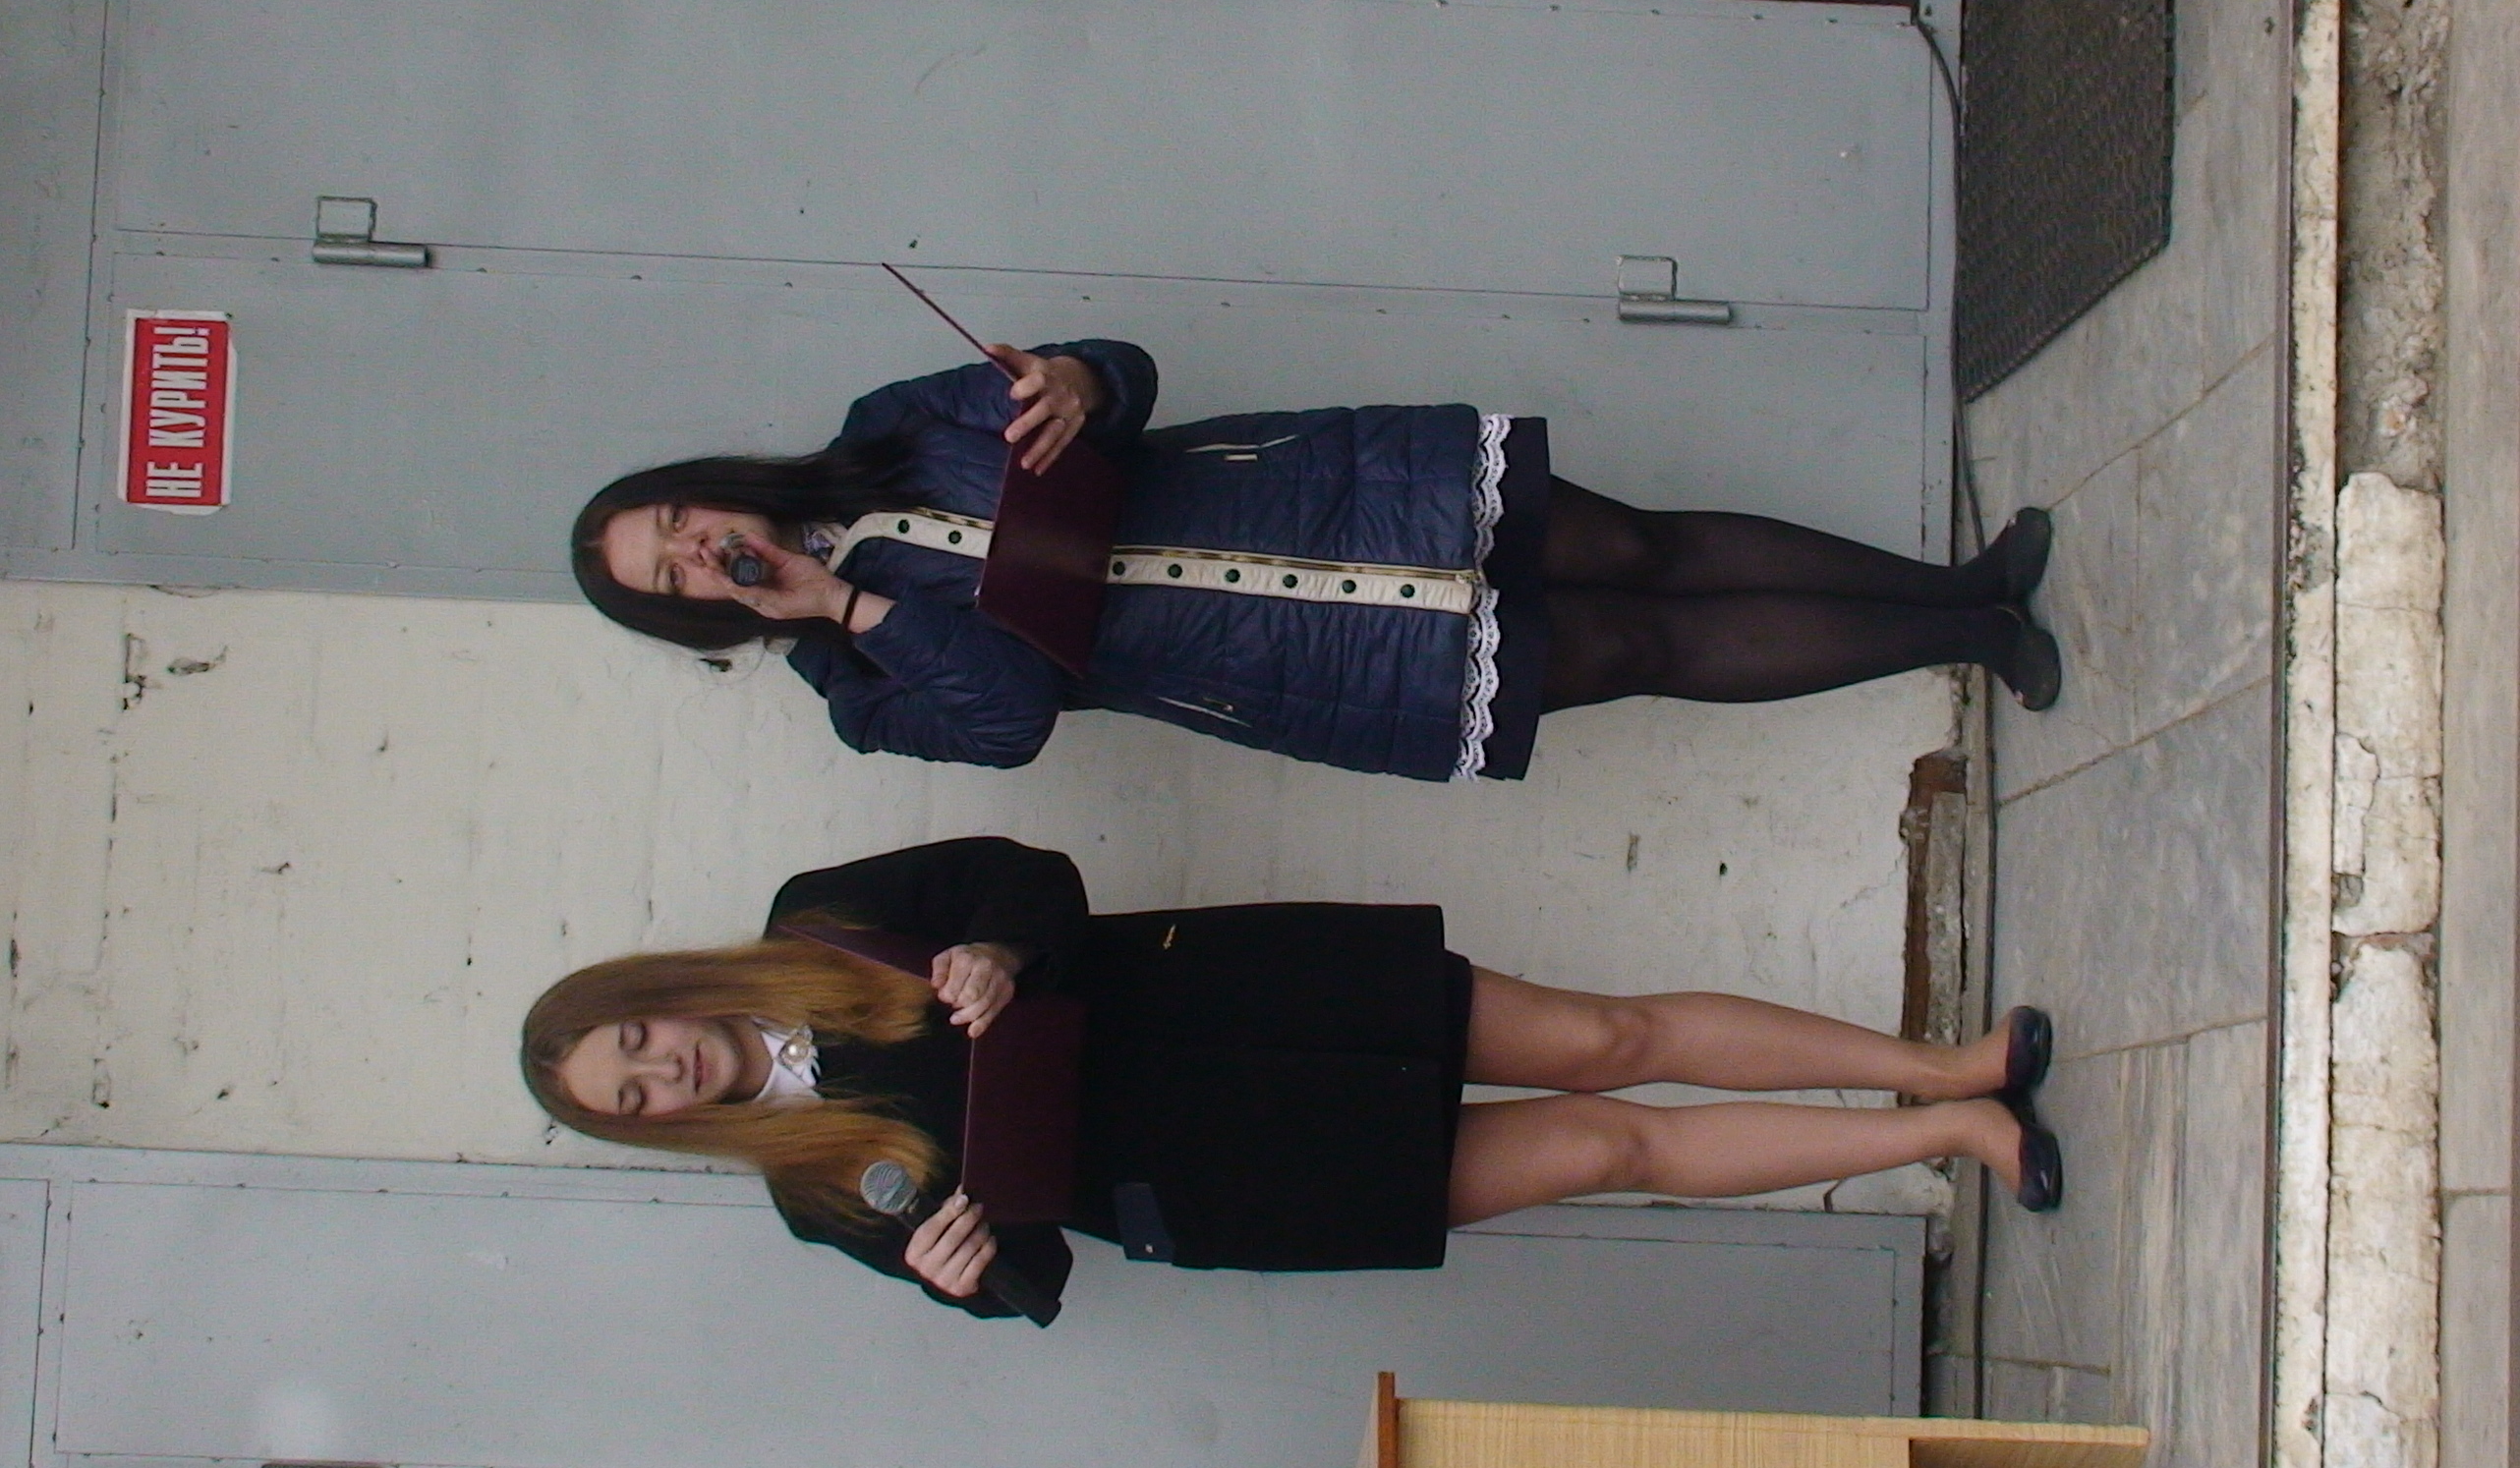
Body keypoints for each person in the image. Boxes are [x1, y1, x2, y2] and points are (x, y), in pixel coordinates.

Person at [521, 837, 2064, 1319]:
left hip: (1242, 992)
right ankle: (1953, 1132)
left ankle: (1944, 1059)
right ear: (659, 1129)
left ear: (655, 996)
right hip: (1228, 1175)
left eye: (635, 1040)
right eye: (634, 1098)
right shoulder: (813, 1195)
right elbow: (1039, 1274)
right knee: (1609, 1149)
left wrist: (994, 949)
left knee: (1611, 1038)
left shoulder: (818, 921)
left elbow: (1031, 874)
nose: (664, 1069)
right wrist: (965, 1277)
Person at [571, 340, 2062, 781]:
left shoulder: (884, 429)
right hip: (1308, 663)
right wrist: (844, 603)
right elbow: (1011, 718)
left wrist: (1079, 379)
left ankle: (1963, 580)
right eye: (672, 578)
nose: (697, 554)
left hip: (1320, 498)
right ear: (696, 617)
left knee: (1642, 544)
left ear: (698, 489)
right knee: (1641, 649)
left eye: (674, 526)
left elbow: (1111, 381)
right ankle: (1973, 642)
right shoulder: (858, 692)